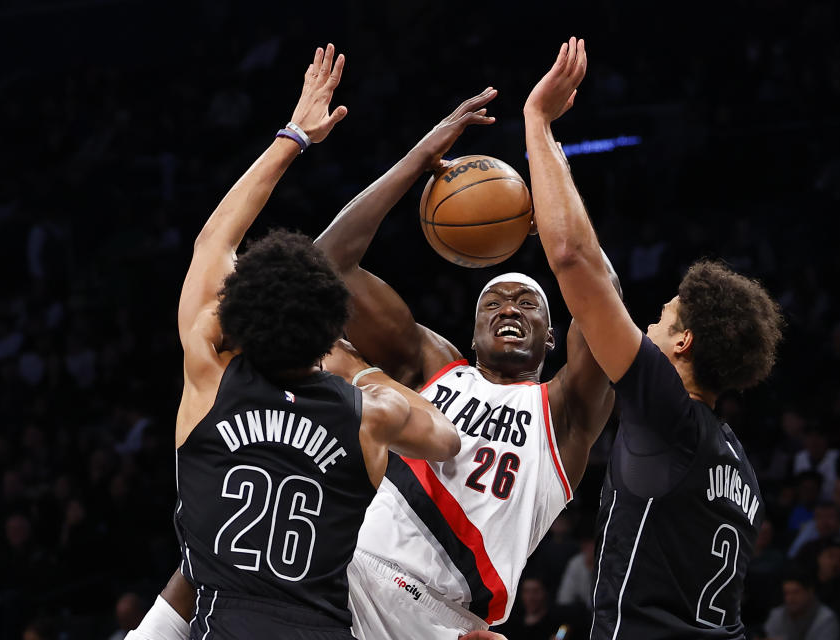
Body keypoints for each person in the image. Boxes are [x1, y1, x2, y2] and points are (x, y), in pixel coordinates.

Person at [128, 45, 459, 640]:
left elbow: (213, 242)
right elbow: (444, 437)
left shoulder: (210, 368)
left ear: (242, 313)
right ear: (331, 328)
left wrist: (294, 136)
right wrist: (358, 368)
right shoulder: (369, 415)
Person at [314, 86, 617, 639]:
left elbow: (600, 292)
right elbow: (326, 266)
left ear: (553, 339)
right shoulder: (433, 366)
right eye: (492, 302)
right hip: (350, 574)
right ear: (471, 336)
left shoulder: (564, 411)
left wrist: (542, 146)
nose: (509, 308)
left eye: (529, 304)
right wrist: (418, 158)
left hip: (445, 621)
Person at [522, 37, 785, 638]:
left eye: (662, 318)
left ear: (684, 343)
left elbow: (571, 259)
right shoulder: (739, 468)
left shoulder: (666, 410)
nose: (647, 324)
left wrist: (537, 122)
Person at [762, 571, 840, 640]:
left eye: (796, 592)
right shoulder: (777, 614)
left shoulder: (827, 619)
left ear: (810, 591)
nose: (790, 599)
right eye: (787, 593)